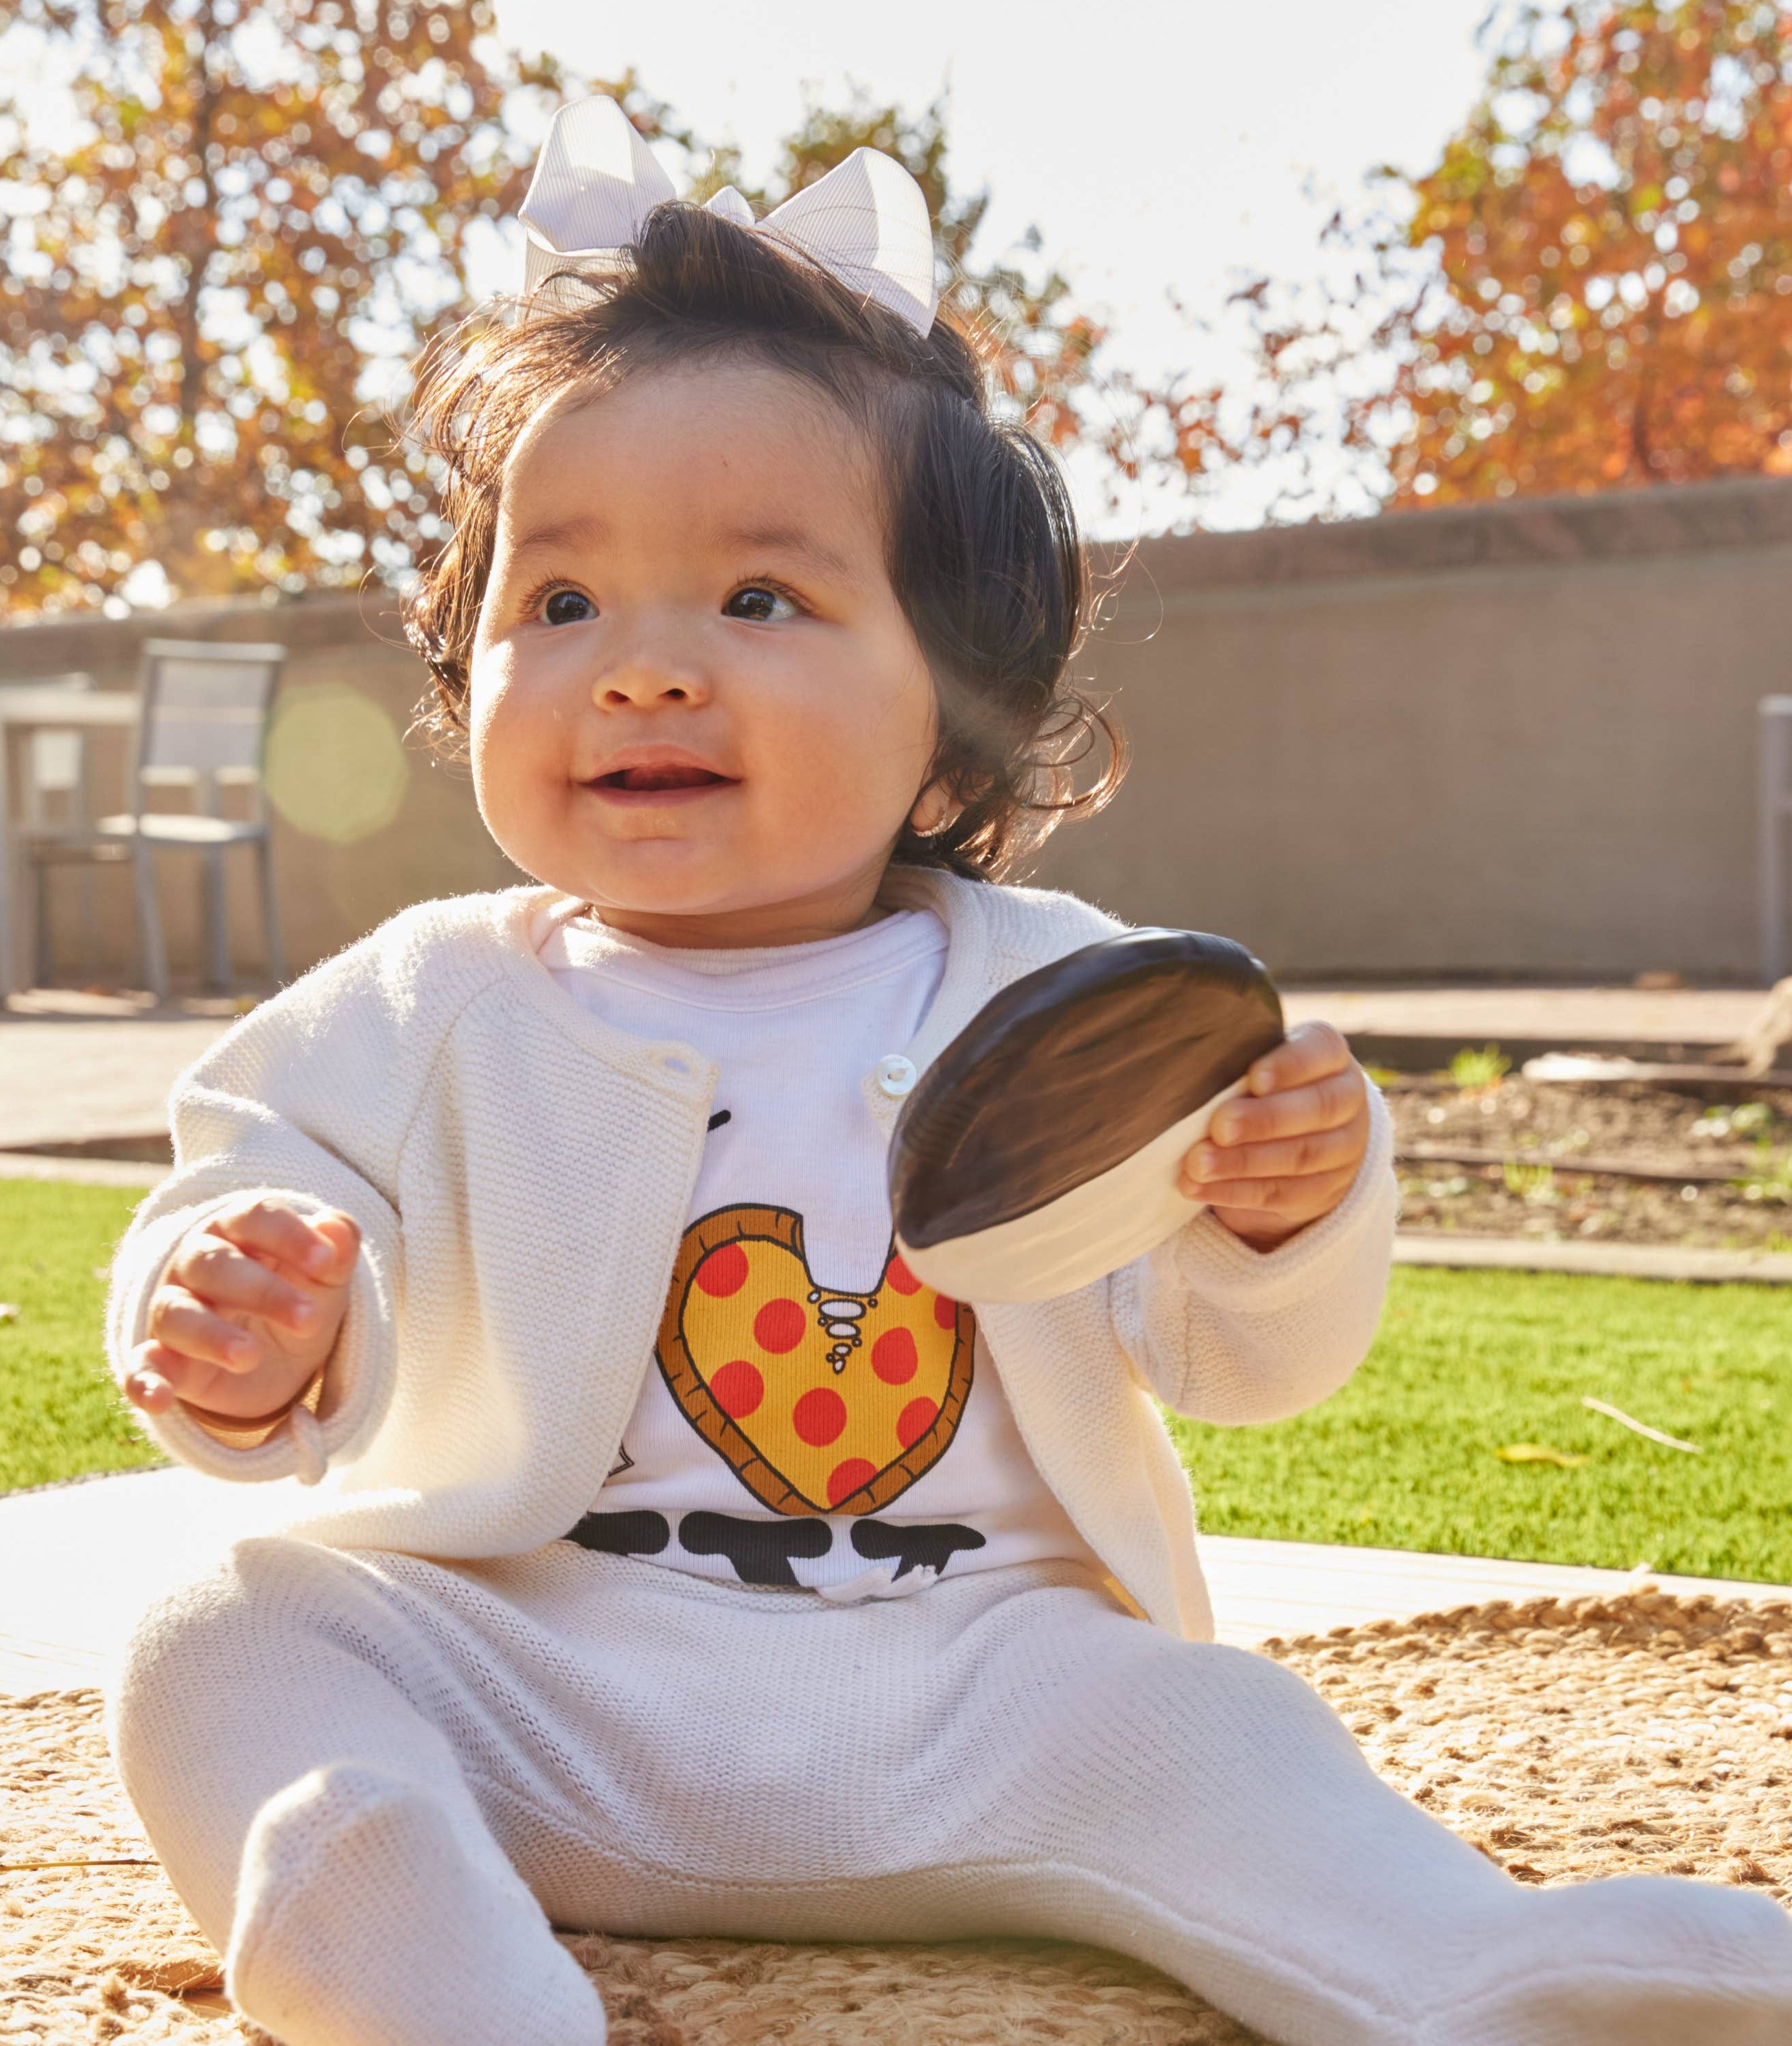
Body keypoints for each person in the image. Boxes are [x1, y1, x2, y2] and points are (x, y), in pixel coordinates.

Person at [103, 97, 1792, 2046]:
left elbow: (1244, 1364)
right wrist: (243, 1308)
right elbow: (236, 1186)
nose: (643, 665)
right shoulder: (415, 1005)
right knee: (228, 1636)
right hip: (550, 1676)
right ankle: (395, 1928)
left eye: (761, 599)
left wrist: (1284, 1216)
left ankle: (1493, 1972)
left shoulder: (1066, 998)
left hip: (997, 1689)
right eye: (558, 601)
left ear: (950, 726)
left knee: (1223, 1729)